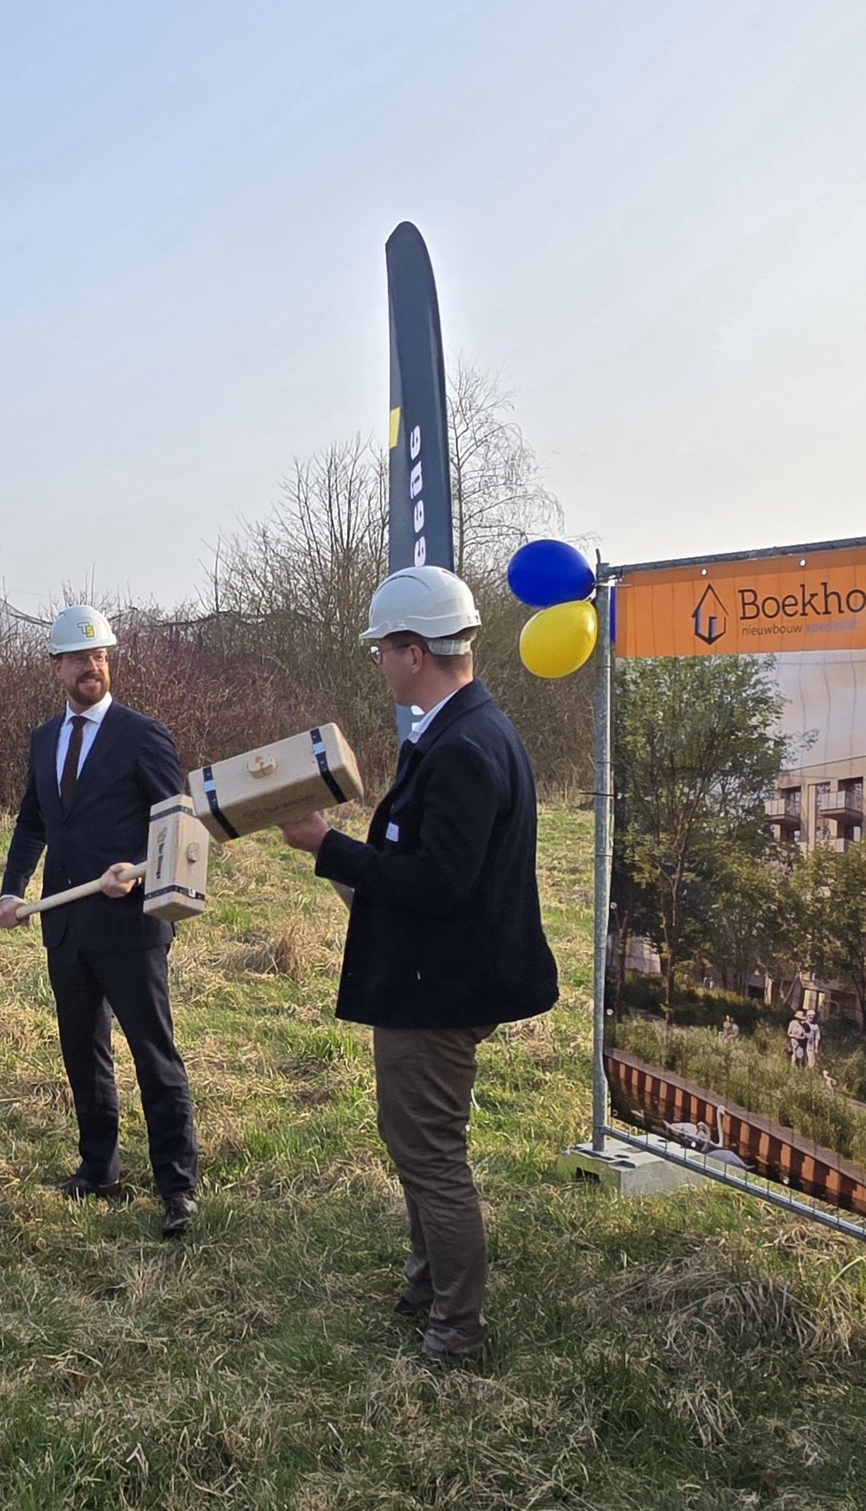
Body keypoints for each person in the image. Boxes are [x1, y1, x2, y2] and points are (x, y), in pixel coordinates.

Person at [277, 565, 559, 1365]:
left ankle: (455, 1335)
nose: (378, 665)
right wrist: (347, 854)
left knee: (432, 1159)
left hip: (439, 987)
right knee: (417, 1144)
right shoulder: (461, 728)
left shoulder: (464, 745)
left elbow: (440, 883)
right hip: (434, 975)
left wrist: (329, 846)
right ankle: (425, 1288)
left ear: (412, 652)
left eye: (382, 650)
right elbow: (429, 861)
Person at [0, 604, 200, 1238]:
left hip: (130, 925)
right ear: (57, 666)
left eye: (101, 655)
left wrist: (139, 871)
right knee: (82, 1052)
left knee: (152, 1053)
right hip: (65, 924)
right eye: (80, 657)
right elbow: (34, 822)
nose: (93, 666)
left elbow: (180, 821)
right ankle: (99, 1168)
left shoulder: (142, 734)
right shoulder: (43, 740)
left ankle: (177, 1185)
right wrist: (11, 889)